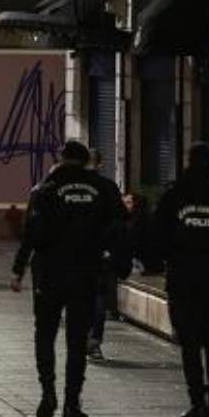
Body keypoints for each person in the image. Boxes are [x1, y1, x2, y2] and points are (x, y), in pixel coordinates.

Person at [11, 140, 127, 417]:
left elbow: (31, 233)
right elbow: (120, 224)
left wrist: (18, 269)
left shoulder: (45, 189)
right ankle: (72, 405)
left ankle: (47, 393)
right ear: (87, 161)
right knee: (77, 341)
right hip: (85, 273)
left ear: (61, 159)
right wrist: (113, 261)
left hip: (49, 273)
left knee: (45, 334)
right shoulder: (103, 189)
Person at [151, 142, 209, 417]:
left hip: (183, 278)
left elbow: (157, 235)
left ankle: (197, 403)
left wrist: (168, 257)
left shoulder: (174, 194)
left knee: (190, 344)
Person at [85, 148, 121, 362]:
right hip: (101, 252)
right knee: (98, 295)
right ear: (100, 164)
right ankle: (94, 340)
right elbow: (120, 218)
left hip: (76, 254)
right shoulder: (108, 187)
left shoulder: (65, 187)